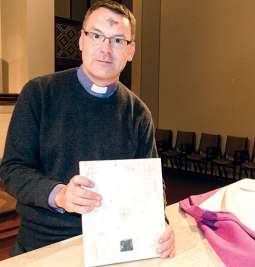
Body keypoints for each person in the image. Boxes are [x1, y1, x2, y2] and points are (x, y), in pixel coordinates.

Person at [0, 0, 175, 258]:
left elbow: (148, 185)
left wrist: (161, 226)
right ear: (81, 40)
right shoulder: (39, 93)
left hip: (115, 242)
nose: (105, 49)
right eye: (96, 36)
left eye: (117, 40)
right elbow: (12, 170)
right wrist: (58, 195)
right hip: (45, 242)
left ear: (130, 51)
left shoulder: (138, 113)